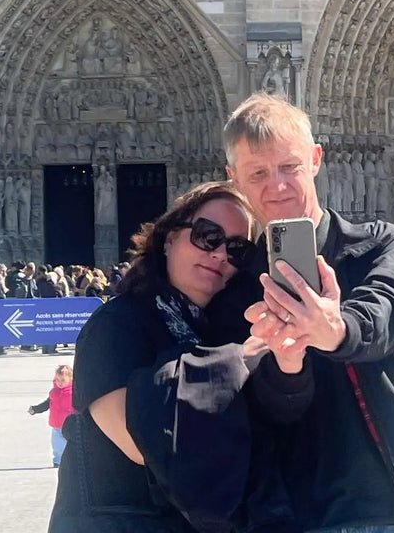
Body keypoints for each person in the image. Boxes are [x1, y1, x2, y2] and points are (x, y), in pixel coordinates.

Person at [223, 93, 394, 533]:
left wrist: (337, 330)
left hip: (393, 508)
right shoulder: (236, 286)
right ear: (234, 179)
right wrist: (282, 367)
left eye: (289, 167)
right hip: (298, 515)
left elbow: (388, 310)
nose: (277, 186)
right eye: (259, 173)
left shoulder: (384, 245)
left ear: (316, 158)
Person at [49, 181, 311, 533]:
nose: (220, 255)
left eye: (237, 250)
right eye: (207, 235)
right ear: (170, 237)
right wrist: (240, 358)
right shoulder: (116, 324)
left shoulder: (223, 331)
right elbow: (141, 445)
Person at [28, 364, 76, 467]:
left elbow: (79, 406)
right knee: (57, 445)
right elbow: (47, 404)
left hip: (70, 425)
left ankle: (72, 460)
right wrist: (36, 409)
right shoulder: (54, 392)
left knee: (71, 444)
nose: (60, 383)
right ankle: (58, 461)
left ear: (70, 379)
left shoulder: (74, 393)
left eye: (63, 380)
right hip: (57, 425)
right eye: (58, 380)